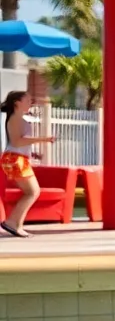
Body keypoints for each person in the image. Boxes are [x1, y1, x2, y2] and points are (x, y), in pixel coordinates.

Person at [1, 90, 54, 238]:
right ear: (17, 103)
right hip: (15, 158)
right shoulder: (15, 119)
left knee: (31, 192)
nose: (31, 103)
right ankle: (13, 223)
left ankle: (16, 224)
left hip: (17, 158)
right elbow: (17, 141)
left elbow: (18, 142)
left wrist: (31, 152)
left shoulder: (17, 118)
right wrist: (43, 139)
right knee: (32, 192)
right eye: (28, 100)